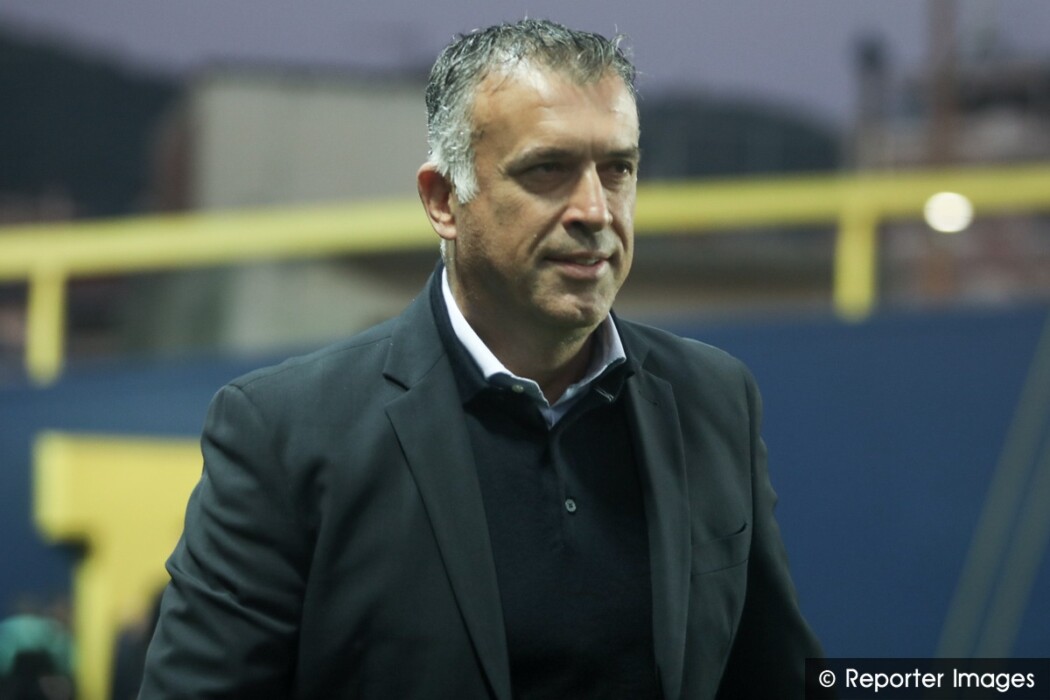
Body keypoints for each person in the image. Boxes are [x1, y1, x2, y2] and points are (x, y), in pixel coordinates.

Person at [140, 18, 827, 699]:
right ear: (443, 200)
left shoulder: (712, 400)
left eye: (617, 169)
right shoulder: (286, 434)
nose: (595, 210)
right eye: (548, 170)